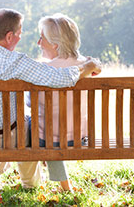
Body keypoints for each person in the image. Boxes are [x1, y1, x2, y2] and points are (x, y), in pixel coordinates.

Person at [0, 8, 101, 193]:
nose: (21, 38)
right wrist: (87, 65)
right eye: (19, 34)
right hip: (9, 138)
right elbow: (59, 78)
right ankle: (30, 183)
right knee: (27, 124)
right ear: (9, 37)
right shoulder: (15, 61)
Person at [26, 13, 91, 191]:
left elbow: (30, 103)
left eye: (41, 38)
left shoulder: (45, 70)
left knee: (34, 125)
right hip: (80, 136)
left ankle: (28, 182)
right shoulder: (87, 65)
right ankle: (64, 186)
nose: (39, 43)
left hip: (49, 138)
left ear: (55, 44)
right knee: (51, 125)